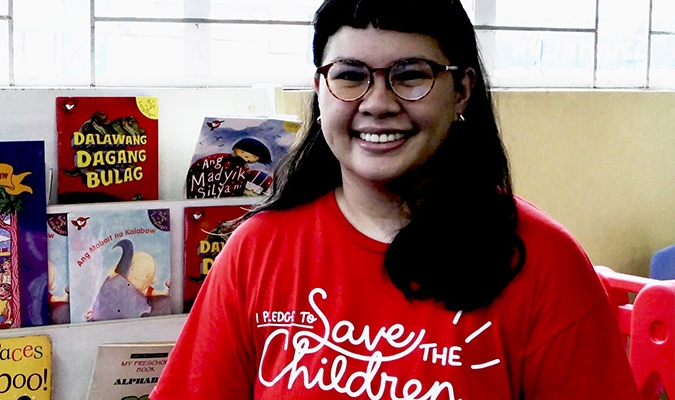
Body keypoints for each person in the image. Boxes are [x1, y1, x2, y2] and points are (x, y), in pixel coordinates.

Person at [152, 0, 641, 398]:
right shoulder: (257, 250)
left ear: (462, 91)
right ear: (320, 89)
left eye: (410, 75)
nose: (379, 103)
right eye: (349, 75)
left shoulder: (546, 263)